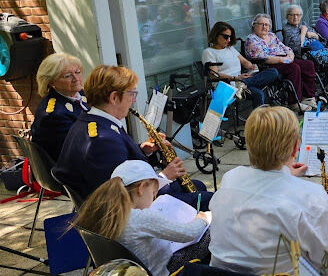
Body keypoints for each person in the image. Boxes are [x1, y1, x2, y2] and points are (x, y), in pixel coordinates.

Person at [210, 106, 328, 276]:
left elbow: (264, 191)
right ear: (294, 149)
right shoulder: (311, 197)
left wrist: (283, 174)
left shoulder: (230, 178)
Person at [53, 65, 212, 210]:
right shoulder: (102, 140)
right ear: (114, 98)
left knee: (197, 186)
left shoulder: (94, 122)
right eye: (131, 94)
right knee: (210, 200)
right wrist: (164, 177)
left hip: (129, 200)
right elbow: (126, 196)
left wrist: (144, 151)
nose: (134, 100)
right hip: (130, 212)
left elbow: (119, 163)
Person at [73, 160, 211, 276]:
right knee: (213, 230)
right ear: (142, 188)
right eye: (153, 193)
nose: (153, 198)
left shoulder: (108, 213)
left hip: (136, 268)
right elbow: (189, 233)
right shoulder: (140, 218)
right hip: (165, 270)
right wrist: (203, 218)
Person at [244, 14, 318, 109]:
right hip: (268, 64)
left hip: (284, 59)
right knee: (294, 68)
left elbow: (284, 47)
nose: (264, 27)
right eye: (261, 24)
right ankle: (294, 102)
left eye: (267, 25)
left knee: (308, 64)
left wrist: (290, 55)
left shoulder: (271, 35)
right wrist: (282, 60)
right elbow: (261, 57)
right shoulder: (251, 39)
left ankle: (308, 97)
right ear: (254, 25)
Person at [202, 21, 280, 109]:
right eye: (225, 37)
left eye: (230, 37)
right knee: (258, 94)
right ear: (216, 35)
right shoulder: (208, 52)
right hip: (228, 85)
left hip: (241, 81)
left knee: (273, 72)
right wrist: (235, 78)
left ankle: (243, 84)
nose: (229, 40)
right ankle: (258, 121)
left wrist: (251, 67)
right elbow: (214, 76)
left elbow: (245, 62)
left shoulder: (230, 48)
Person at [30, 53, 88, 161]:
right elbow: (78, 149)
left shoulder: (80, 95)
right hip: (72, 170)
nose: (76, 78)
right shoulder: (53, 115)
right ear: (51, 82)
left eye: (77, 72)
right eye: (68, 76)